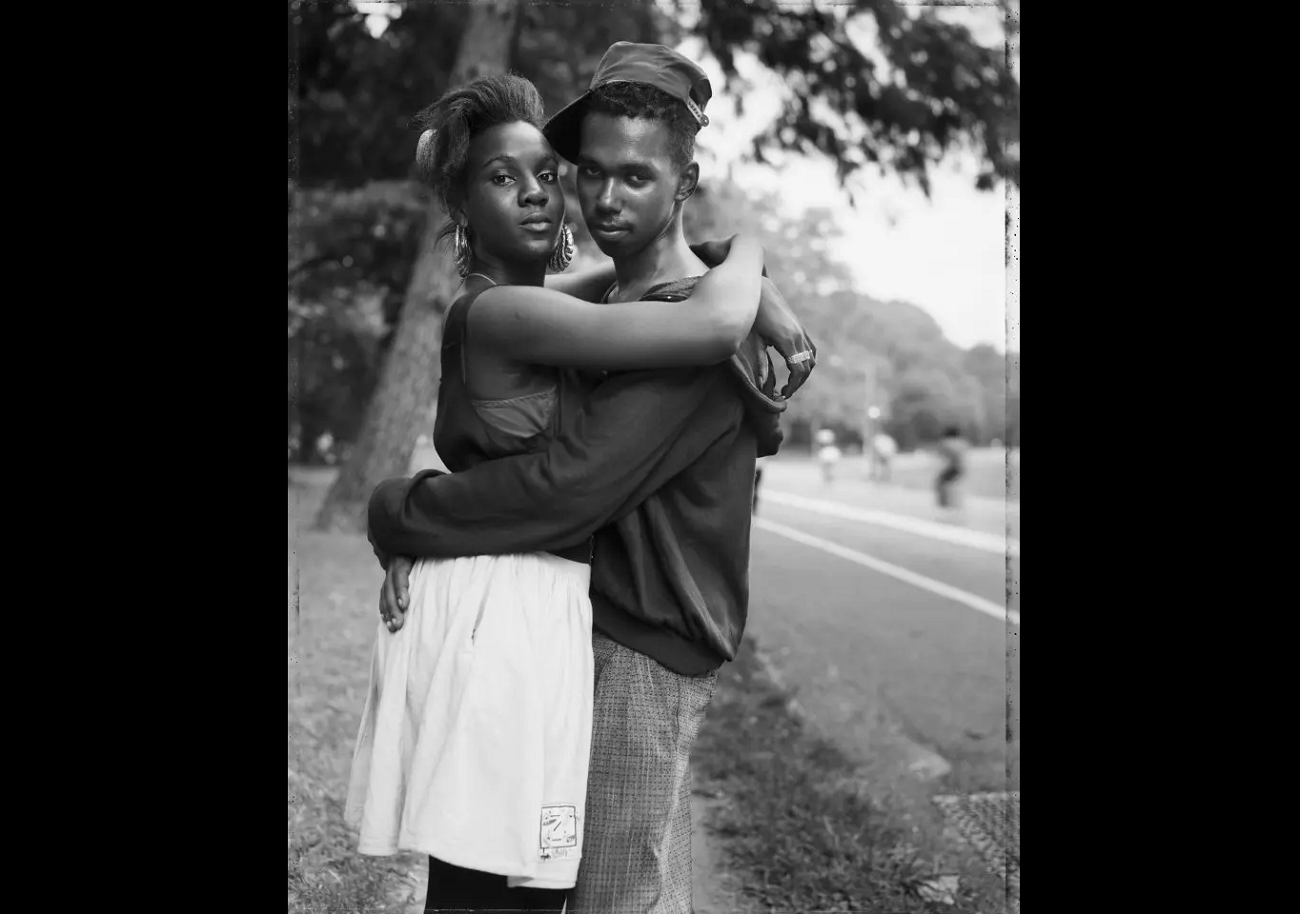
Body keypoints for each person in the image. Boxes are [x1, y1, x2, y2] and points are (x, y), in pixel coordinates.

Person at [367, 42, 817, 914]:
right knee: (516, 882)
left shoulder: (687, 327)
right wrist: (742, 258)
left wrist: (400, 511)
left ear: (684, 182)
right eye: (592, 173)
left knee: (614, 896)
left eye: (638, 178)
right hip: (568, 629)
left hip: (641, 645)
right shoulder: (603, 305)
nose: (601, 198)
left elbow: (567, 487)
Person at [935, 424, 968, 519]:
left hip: (954, 467)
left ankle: (945, 506)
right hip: (962, 468)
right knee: (948, 485)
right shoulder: (962, 442)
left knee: (941, 483)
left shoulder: (946, 443)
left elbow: (940, 453)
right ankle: (953, 505)